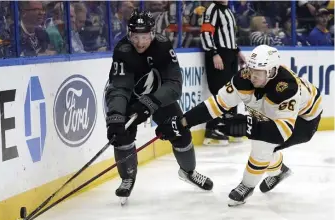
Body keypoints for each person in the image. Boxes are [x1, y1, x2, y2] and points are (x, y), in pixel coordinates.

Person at [155, 45, 323, 207]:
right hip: (273, 112)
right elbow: (216, 104)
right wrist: (183, 122)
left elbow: (282, 132)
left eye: (258, 72)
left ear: (272, 72)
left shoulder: (286, 88)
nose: (252, 76)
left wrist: (246, 126)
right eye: (251, 70)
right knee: (264, 141)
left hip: (304, 121)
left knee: (263, 143)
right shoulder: (243, 78)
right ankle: (279, 171)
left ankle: (247, 185)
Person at [105, 10, 213, 204]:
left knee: (180, 132)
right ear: (129, 34)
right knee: (122, 135)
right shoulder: (123, 50)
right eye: (136, 37)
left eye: (144, 36)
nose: (140, 42)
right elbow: (119, 88)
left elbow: (174, 85)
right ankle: (127, 178)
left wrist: (148, 104)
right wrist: (115, 116)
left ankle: (188, 172)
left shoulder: (162, 47)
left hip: (158, 96)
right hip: (129, 98)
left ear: (152, 34)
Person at [200, 0, 246, 146]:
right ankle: (213, 128)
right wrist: (214, 53)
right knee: (221, 91)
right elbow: (206, 33)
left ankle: (229, 126)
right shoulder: (212, 10)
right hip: (219, 54)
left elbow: (230, 35)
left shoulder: (227, 10)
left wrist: (237, 51)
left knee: (232, 90)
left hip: (230, 55)